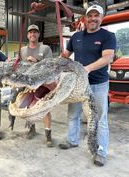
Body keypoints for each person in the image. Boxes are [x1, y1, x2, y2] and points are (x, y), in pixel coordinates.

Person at [59, 4, 116, 166]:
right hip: (77, 84)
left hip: (98, 83)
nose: (93, 18)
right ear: (85, 18)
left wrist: (87, 69)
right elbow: (65, 55)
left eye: (96, 15)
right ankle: (72, 140)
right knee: (73, 114)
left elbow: (107, 58)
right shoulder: (76, 36)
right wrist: (60, 62)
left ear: (101, 18)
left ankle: (101, 151)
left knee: (99, 119)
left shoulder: (108, 36)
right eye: (90, 15)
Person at [20, 24, 54, 147]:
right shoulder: (23, 50)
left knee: (44, 109)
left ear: (38, 35)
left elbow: (51, 66)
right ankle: (31, 129)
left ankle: (48, 135)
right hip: (28, 84)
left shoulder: (45, 48)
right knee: (29, 108)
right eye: (30, 32)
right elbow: (20, 65)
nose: (32, 34)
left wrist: (37, 62)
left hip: (43, 84)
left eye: (35, 32)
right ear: (27, 35)